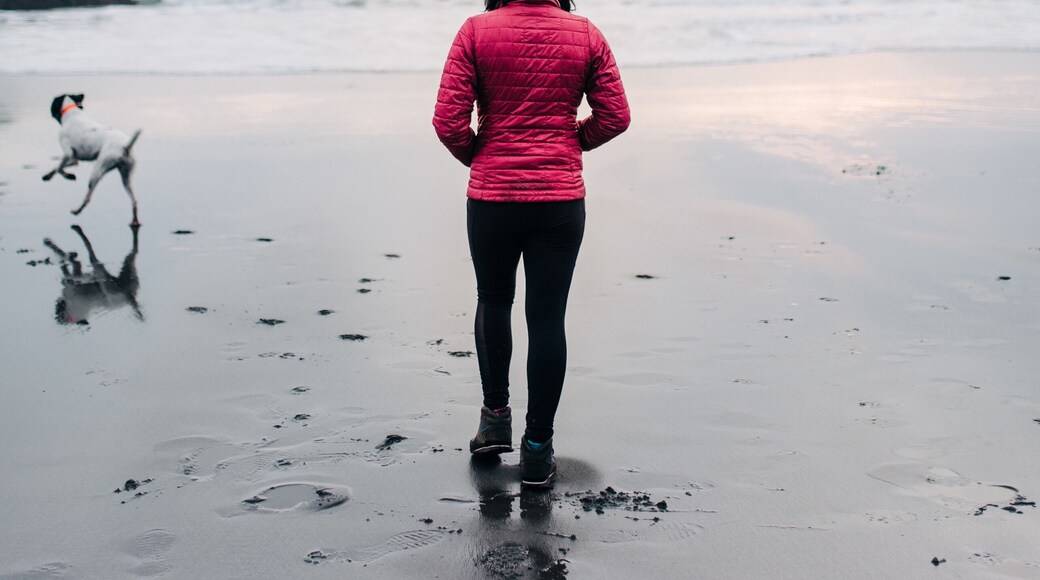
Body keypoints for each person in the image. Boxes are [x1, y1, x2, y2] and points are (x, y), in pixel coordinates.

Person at [433, 0, 630, 488]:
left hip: (493, 197)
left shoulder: (475, 32)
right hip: (559, 201)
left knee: (494, 301)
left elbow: (448, 122)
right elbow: (616, 116)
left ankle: (495, 420)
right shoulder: (585, 34)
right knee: (547, 319)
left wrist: (481, 155)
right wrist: (569, 143)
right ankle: (538, 450)